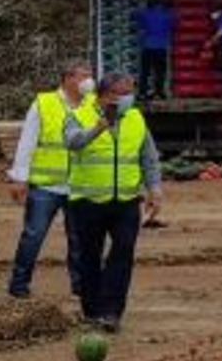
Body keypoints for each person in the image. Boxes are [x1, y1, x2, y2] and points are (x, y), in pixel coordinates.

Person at [63, 73, 163, 331]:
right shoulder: (79, 114)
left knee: (123, 253)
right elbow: (71, 142)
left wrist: (154, 189)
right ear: (103, 95)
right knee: (89, 257)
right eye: (120, 94)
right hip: (88, 201)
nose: (126, 99)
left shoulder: (135, 118)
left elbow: (148, 157)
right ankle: (92, 309)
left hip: (127, 201)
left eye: (129, 93)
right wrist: (98, 127)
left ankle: (111, 312)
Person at [3, 60, 95, 299]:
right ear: (67, 78)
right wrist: (19, 177)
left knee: (79, 240)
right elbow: (28, 142)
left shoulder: (93, 105)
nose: (88, 81)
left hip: (79, 185)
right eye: (82, 76)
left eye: (90, 76)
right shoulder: (44, 103)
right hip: (46, 185)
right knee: (33, 235)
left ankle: (82, 287)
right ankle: (19, 285)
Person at [132, 2, 174, 100]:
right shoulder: (168, 15)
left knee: (145, 71)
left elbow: (134, 15)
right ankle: (159, 93)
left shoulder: (145, 13)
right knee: (160, 72)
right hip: (161, 47)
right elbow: (175, 23)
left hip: (147, 46)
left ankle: (142, 93)